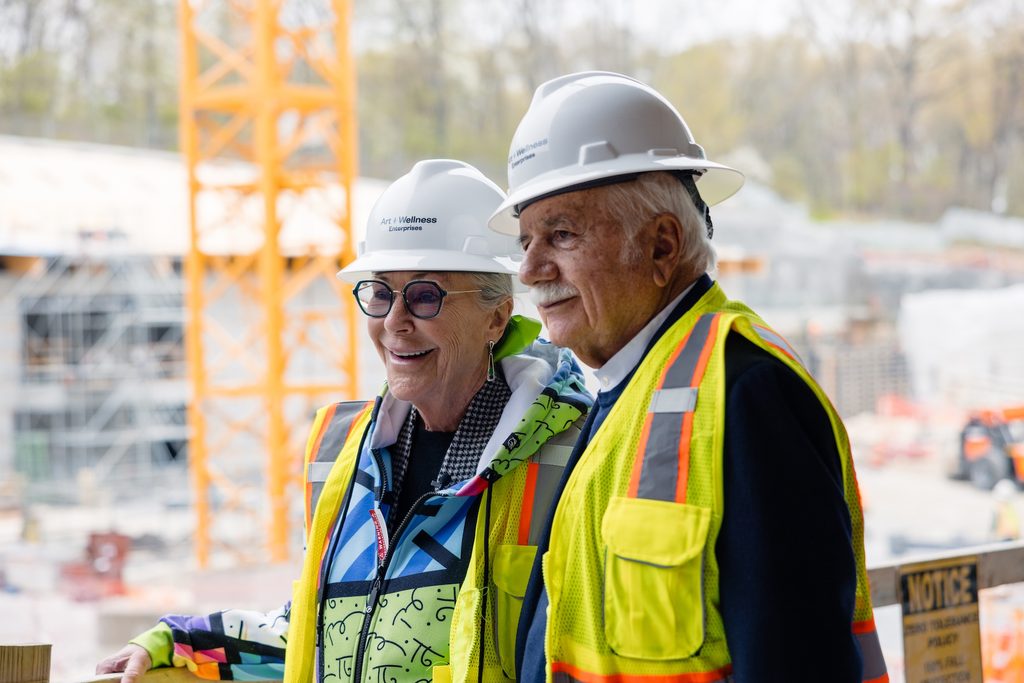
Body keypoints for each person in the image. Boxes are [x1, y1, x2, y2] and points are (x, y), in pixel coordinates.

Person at [97, 159, 592, 683]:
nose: (394, 322)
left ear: (496, 316)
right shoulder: (342, 449)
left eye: (425, 295)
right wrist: (175, 643)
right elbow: (314, 640)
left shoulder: (569, 452)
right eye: (380, 293)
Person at [488, 72, 888, 683]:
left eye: (561, 234)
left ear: (662, 245)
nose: (530, 268)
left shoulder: (746, 393)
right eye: (525, 241)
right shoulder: (627, 390)